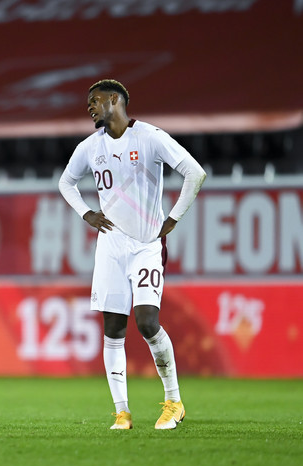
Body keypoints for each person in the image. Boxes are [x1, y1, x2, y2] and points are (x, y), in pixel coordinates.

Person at [58, 79, 206, 430]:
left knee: (146, 322)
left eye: (94, 101)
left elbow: (194, 173)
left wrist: (172, 219)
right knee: (112, 327)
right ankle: (122, 413)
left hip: (145, 245)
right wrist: (86, 213)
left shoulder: (150, 137)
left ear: (114, 100)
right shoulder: (89, 148)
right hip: (110, 245)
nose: (89, 107)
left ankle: (174, 401)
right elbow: (66, 182)